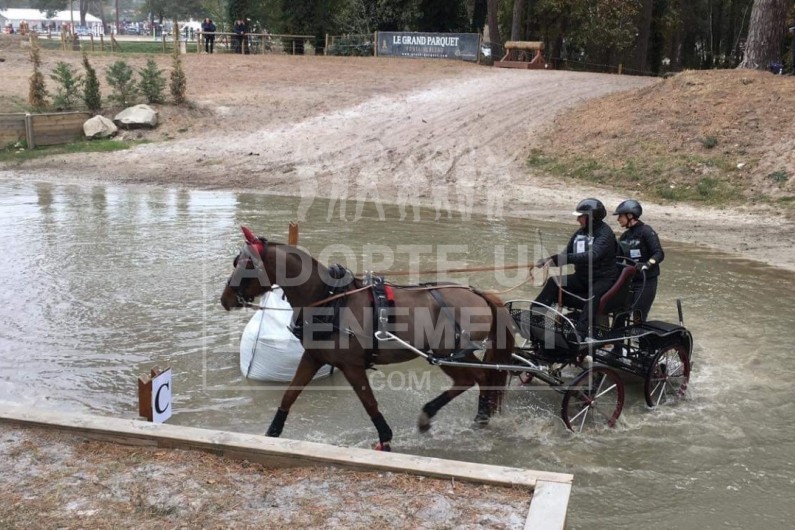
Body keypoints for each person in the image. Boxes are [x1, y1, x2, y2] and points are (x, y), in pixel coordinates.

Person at [534, 198, 618, 339]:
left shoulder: (605, 234)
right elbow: (566, 254)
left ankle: (580, 333)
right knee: (554, 281)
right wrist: (548, 261)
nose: (578, 219)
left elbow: (593, 255)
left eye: (581, 216)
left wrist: (564, 259)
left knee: (593, 295)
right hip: (582, 277)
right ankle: (536, 317)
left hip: (602, 279)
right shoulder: (579, 233)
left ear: (591, 218)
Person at [613, 199, 664, 321]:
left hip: (646, 282)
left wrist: (647, 264)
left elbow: (659, 253)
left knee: (638, 316)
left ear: (630, 216)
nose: (618, 219)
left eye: (620, 216)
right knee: (619, 313)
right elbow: (617, 259)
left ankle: (638, 338)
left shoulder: (646, 231)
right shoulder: (624, 236)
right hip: (630, 281)